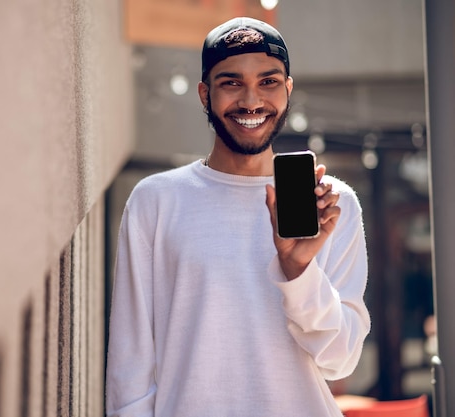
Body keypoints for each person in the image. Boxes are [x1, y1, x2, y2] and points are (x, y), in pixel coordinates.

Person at [106, 17, 371, 417]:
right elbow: (130, 365)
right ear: (204, 93)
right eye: (231, 82)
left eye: (268, 81)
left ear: (288, 89)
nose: (251, 100)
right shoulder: (156, 201)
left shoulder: (333, 205)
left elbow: (341, 360)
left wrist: (298, 270)